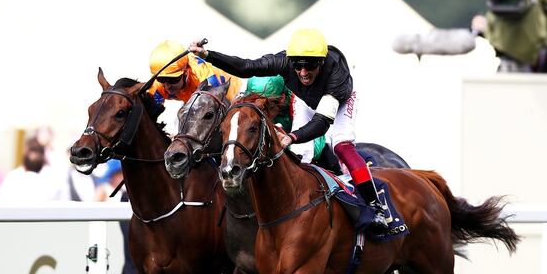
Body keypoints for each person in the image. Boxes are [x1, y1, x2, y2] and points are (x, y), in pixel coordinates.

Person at [189, 29, 390, 228]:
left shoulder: (337, 75)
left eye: (310, 66)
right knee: (301, 154)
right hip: (306, 99)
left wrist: (293, 136)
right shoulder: (284, 61)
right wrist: (208, 55)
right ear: (291, 60)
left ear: (321, 62)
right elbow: (246, 67)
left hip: (336, 102)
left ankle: (375, 206)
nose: (303, 72)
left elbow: (321, 123)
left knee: (342, 147)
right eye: (298, 65)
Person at [243, 75, 326, 164]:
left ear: (282, 99)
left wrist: (284, 140)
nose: (261, 114)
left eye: (265, 107)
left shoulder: (300, 103)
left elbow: (306, 152)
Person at [147, 40, 242, 110]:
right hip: (192, 96)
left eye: (173, 80)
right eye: (162, 79)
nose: (167, 86)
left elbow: (214, 111)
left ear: (186, 71)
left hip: (228, 93)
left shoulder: (205, 79)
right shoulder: (158, 86)